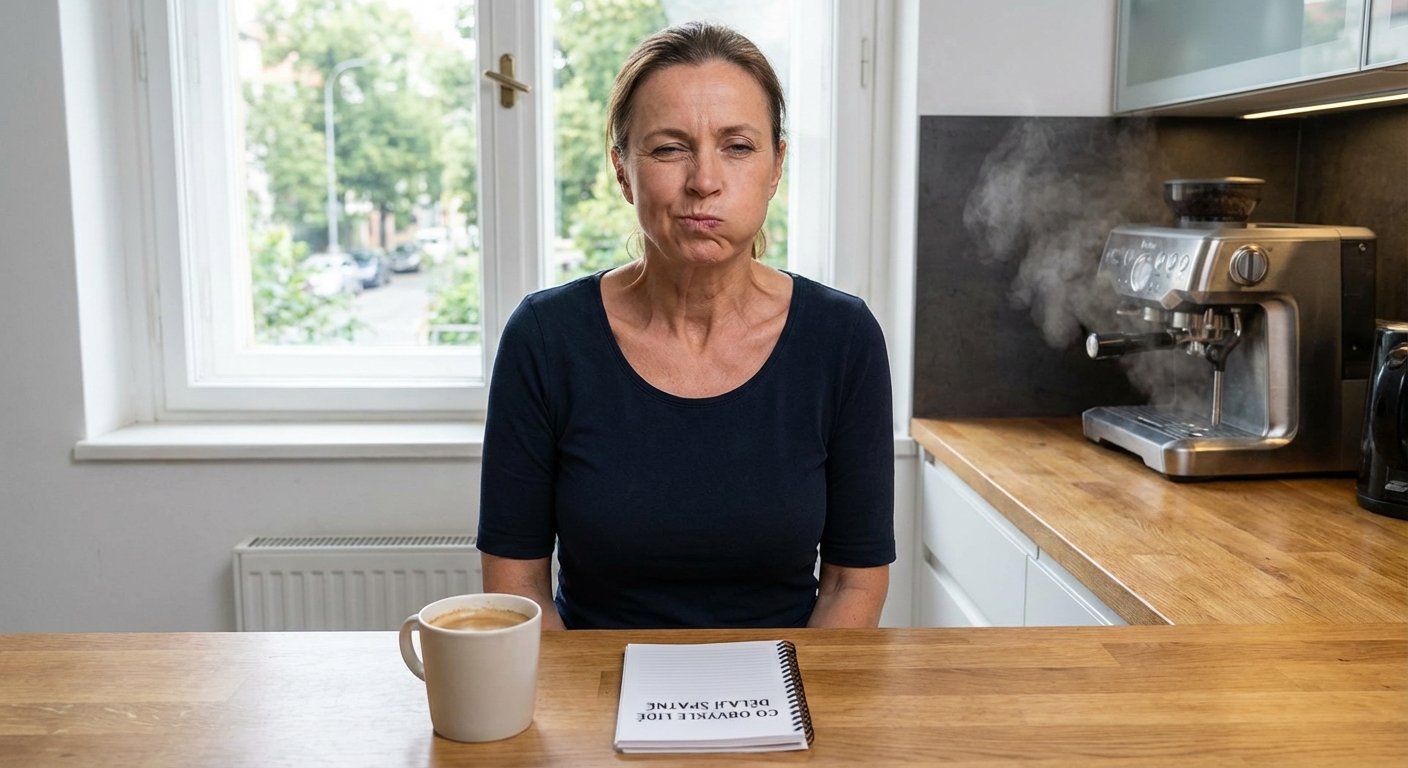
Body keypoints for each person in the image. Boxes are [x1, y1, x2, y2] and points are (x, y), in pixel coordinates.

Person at [477, 21, 893, 630]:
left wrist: (796, 713)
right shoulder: (544, 339)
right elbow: (519, 594)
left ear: (776, 168)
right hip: (596, 704)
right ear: (623, 172)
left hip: (785, 694)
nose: (704, 180)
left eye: (738, 146)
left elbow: (851, 585)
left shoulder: (843, 339)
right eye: (670, 148)